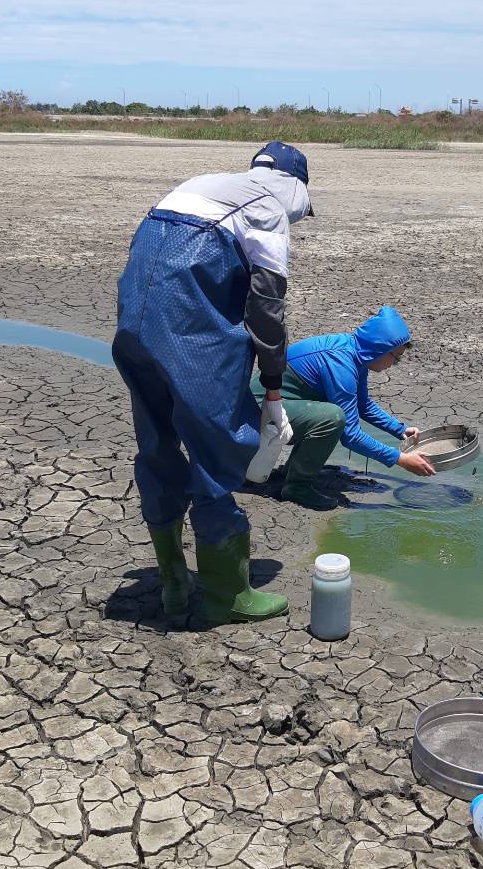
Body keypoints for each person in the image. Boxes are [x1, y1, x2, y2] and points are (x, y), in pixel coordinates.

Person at [113, 142, 312, 624]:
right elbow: (266, 310)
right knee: (217, 447)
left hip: (133, 326)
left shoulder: (199, 186)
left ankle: (174, 581)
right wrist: (271, 387)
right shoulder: (268, 210)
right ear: (296, 187)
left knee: (157, 446)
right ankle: (227, 594)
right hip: (188, 334)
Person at [251, 306, 436, 508]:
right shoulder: (341, 363)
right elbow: (351, 436)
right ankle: (297, 487)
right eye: (396, 357)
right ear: (381, 348)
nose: (395, 363)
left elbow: (363, 405)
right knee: (333, 418)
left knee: (330, 414)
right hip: (258, 410)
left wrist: (399, 430)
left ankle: (292, 472)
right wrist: (400, 459)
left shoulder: (356, 354)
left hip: (281, 405)